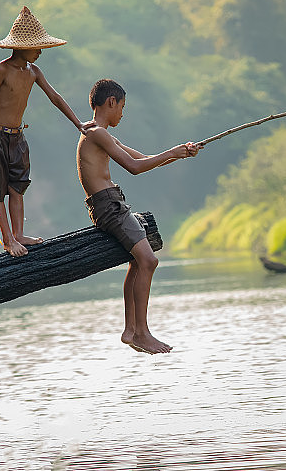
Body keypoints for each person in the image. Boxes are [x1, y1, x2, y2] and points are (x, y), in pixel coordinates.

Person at [77, 79, 201, 354]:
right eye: (122, 106)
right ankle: (142, 333)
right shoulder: (97, 133)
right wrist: (173, 152)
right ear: (111, 102)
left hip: (110, 205)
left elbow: (144, 158)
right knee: (149, 260)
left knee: (138, 261)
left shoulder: (102, 134)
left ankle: (131, 330)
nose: (122, 112)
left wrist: (180, 154)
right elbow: (134, 167)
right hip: (109, 206)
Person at [0, 6, 93, 257]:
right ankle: (8, 240)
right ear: (21, 46)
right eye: (37, 47)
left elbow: (55, 97)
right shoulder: (1, 70)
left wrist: (79, 124)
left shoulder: (33, 72)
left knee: (18, 187)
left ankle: (19, 235)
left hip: (17, 137)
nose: (40, 52)